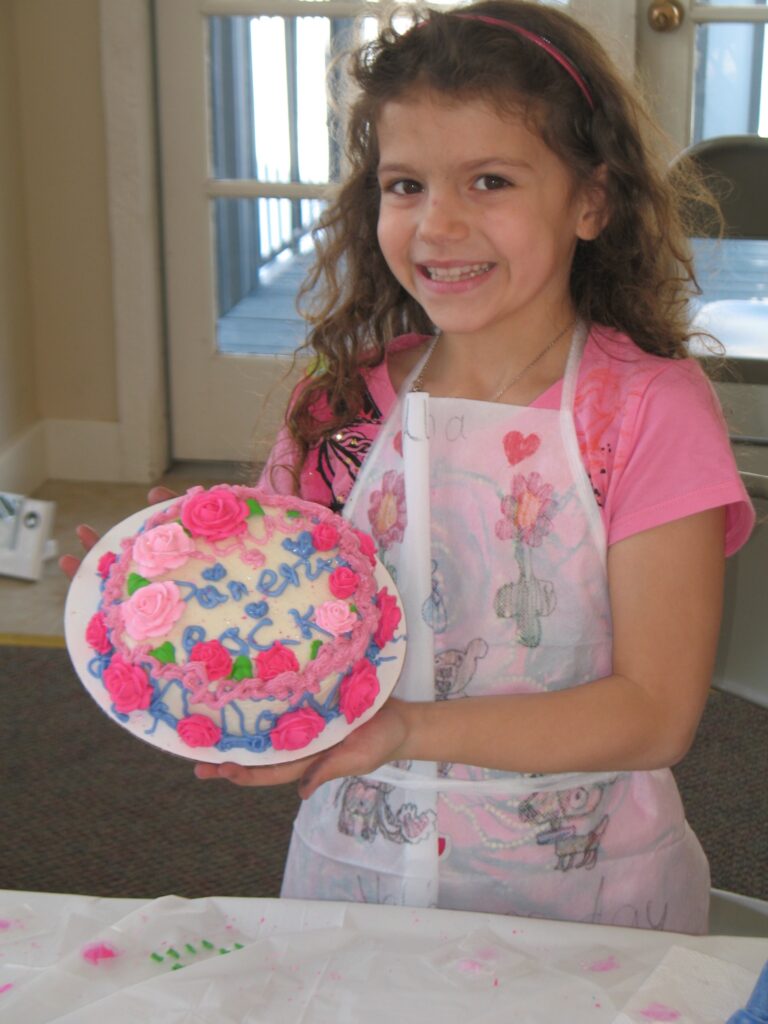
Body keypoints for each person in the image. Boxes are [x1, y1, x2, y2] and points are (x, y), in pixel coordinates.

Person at [65, 0, 754, 932]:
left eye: (490, 181)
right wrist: (175, 599)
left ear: (591, 200)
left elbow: (653, 712)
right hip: (354, 877)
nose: (439, 225)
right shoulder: (343, 407)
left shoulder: (645, 412)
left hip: (587, 895)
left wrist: (405, 732)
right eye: (405, 185)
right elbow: (289, 638)